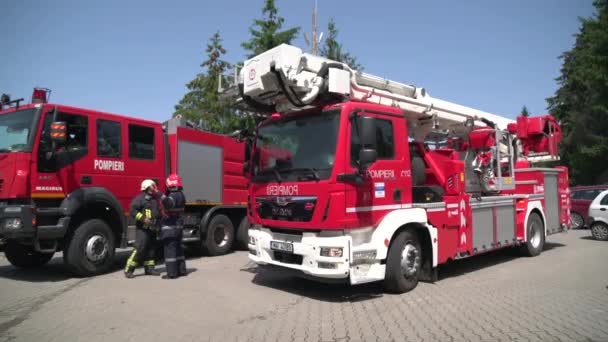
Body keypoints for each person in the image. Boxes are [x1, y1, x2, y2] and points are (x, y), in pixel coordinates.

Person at [124, 179, 163, 278]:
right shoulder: (140, 199)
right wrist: (143, 218)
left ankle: (150, 268)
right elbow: (132, 210)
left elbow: (158, 212)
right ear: (148, 187)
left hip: (152, 228)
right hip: (143, 229)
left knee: (151, 249)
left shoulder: (154, 199)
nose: (155, 188)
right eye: (153, 186)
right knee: (139, 248)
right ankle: (129, 269)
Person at [159, 174, 187, 279]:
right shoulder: (181, 195)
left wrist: (159, 194)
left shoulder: (173, 196)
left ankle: (172, 273)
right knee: (178, 249)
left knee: (170, 250)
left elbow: (168, 204)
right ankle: (181, 270)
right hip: (177, 226)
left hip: (170, 226)